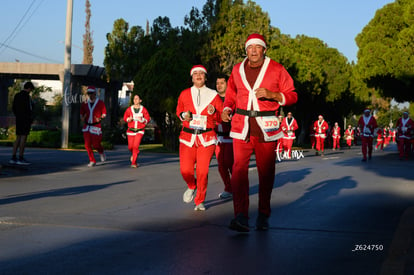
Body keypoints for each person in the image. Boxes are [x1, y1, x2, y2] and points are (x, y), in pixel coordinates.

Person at [221, 33, 297, 232]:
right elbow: (230, 94)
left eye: (257, 47)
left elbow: (293, 95)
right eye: (250, 47)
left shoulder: (277, 68)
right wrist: (227, 109)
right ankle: (241, 216)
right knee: (238, 171)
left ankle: (263, 214)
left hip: (267, 127)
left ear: (264, 49)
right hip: (241, 126)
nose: (253, 50)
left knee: (266, 173)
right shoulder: (237, 70)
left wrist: (273, 95)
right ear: (245, 50)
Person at [176, 65, 223, 211]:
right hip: (187, 137)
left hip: (207, 138)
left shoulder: (214, 95)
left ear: (205, 77)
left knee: (202, 171)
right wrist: (184, 116)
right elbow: (179, 111)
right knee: (185, 170)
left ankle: (200, 200)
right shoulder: (184, 94)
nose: (198, 75)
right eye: (195, 73)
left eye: (201, 73)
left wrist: (214, 111)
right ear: (191, 77)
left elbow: (222, 117)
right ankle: (192, 185)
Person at [214, 74, 233, 199]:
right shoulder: (213, 99)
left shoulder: (232, 100)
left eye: (222, 83)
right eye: (217, 83)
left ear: (227, 84)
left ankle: (238, 187)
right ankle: (229, 188)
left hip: (232, 138)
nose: (219, 85)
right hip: (218, 138)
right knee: (221, 166)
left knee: (232, 164)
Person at [80, 86, 107, 167]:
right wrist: (82, 117)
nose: (90, 95)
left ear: (95, 93)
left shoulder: (100, 103)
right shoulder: (84, 103)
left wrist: (101, 118)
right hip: (87, 126)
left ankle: (101, 152)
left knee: (96, 144)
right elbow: (81, 113)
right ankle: (92, 160)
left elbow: (104, 113)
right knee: (87, 145)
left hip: (96, 126)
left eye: (91, 93)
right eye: (89, 93)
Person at [9, 81, 35, 165]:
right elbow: (29, 109)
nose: (30, 91)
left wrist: (18, 115)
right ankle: (21, 157)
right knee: (24, 138)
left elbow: (13, 107)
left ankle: (13, 157)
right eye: (31, 90)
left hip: (19, 119)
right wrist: (29, 118)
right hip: (25, 120)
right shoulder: (27, 97)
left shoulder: (17, 95)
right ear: (29, 88)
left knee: (18, 137)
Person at [123, 94, 151, 168]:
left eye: (137, 99)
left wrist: (142, 120)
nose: (135, 100)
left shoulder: (143, 109)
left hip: (139, 130)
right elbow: (125, 117)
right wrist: (129, 119)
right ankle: (135, 152)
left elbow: (148, 119)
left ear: (140, 100)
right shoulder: (129, 109)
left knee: (135, 146)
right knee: (130, 147)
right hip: (131, 130)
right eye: (134, 99)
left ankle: (134, 163)